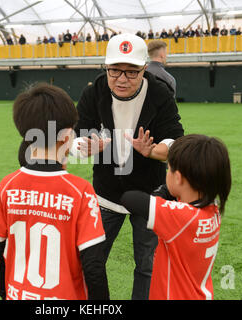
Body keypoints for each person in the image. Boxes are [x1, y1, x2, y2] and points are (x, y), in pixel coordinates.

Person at [72, 33, 184, 300]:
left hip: (148, 193)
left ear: (144, 70)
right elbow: (75, 136)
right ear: (106, 68)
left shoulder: (159, 93)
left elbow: (176, 138)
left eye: (131, 72)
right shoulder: (94, 92)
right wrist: (85, 145)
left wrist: (155, 151)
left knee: (147, 265)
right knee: (92, 261)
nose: (122, 78)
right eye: (115, 70)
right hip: (106, 193)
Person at [0, 83, 109, 300]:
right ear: (68, 133)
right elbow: (94, 266)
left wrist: (6, 293)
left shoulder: (7, 185)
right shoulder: (80, 191)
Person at [120, 134, 232, 300]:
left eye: (169, 169)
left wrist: (162, 192)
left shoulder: (180, 217)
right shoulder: (212, 206)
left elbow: (130, 198)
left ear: (178, 177)